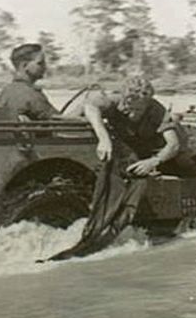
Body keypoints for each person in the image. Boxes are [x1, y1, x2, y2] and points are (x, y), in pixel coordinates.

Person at [46, 76, 181, 261]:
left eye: (138, 109)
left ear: (148, 104)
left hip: (145, 151)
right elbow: (91, 106)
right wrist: (103, 137)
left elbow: (173, 145)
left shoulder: (156, 110)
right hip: (120, 147)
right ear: (123, 98)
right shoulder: (115, 101)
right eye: (127, 106)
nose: (130, 113)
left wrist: (152, 162)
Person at [0, 43, 59, 120]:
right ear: (25, 65)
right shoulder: (30, 94)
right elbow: (60, 122)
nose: (45, 67)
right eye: (40, 63)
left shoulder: (7, 91)